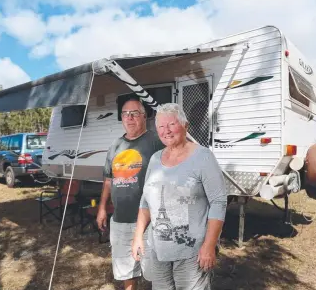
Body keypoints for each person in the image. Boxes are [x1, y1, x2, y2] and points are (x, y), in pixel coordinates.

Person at [131, 103, 228, 290]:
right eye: (161, 126)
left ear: (185, 125)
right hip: (157, 249)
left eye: (171, 125)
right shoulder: (154, 159)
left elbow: (218, 202)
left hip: (191, 251)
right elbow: (145, 200)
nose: (166, 131)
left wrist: (209, 245)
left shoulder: (203, 157)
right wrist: (138, 236)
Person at [96, 96, 165, 290]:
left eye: (135, 113)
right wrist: (102, 208)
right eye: (125, 114)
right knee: (126, 270)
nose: (130, 118)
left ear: (144, 117)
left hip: (150, 221)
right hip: (120, 220)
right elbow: (108, 181)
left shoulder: (155, 141)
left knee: (155, 271)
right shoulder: (115, 146)